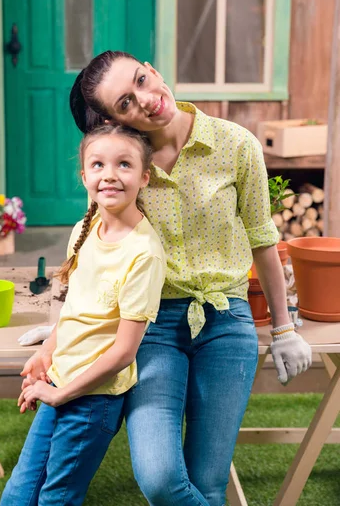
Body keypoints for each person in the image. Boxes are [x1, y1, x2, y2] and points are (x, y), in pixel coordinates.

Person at [67, 50, 312, 506]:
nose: (146, 99)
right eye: (125, 103)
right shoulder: (123, 165)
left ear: (152, 69)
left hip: (226, 321)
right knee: (160, 479)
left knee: (207, 482)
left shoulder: (236, 144)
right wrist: (77, 320)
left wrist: (284, 329)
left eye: (141, 80)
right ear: (113, 120)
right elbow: (103, 243)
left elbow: (262, 239)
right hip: (152, 326)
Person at [0, 124, 166, 506]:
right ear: (85, 176)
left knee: (57, 497)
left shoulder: (144, 254)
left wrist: (59, 396)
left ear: (144, 176)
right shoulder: (84, 228)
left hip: (93, 399)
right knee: (18, 495)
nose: (109, 174)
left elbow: (123, 353)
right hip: (59, 380)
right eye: (98, 164)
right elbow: (75, 309)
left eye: (124, 164)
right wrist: (46, 354)